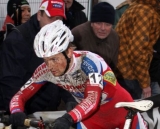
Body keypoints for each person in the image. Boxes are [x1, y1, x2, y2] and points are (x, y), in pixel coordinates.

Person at [9, 20, 147, 129]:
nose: (50, 66)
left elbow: (92, 99)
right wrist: (16, 112)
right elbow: (20, 95)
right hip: (93, 117)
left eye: (54, 59)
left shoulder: (90, 62)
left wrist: (68, 118)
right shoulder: (45, 70)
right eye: (45, 60)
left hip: (122, 110)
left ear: (69, 52)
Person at [0, 0, 75, 115]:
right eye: (51, 18)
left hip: (48, 111)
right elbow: (9, 81)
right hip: (24, 112)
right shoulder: (18, 39)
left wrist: (71, 98)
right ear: (39, 15)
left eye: (58, 19)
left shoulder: (60, 39)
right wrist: (17, 111)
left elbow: (64, 72)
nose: (54, 24)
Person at [115, 0, 160, 99]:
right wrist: (145, 83)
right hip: (130, 75)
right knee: (132, 112)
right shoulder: (145, 12)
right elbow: (137, 52)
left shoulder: (142, 8)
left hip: (127, 72)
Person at [71, 2, 119, 73]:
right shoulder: (77, 34)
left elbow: (113, 67)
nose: (103, 28)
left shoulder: (114, 38)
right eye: (98, 23)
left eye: (107, 24)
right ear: (92, 23)